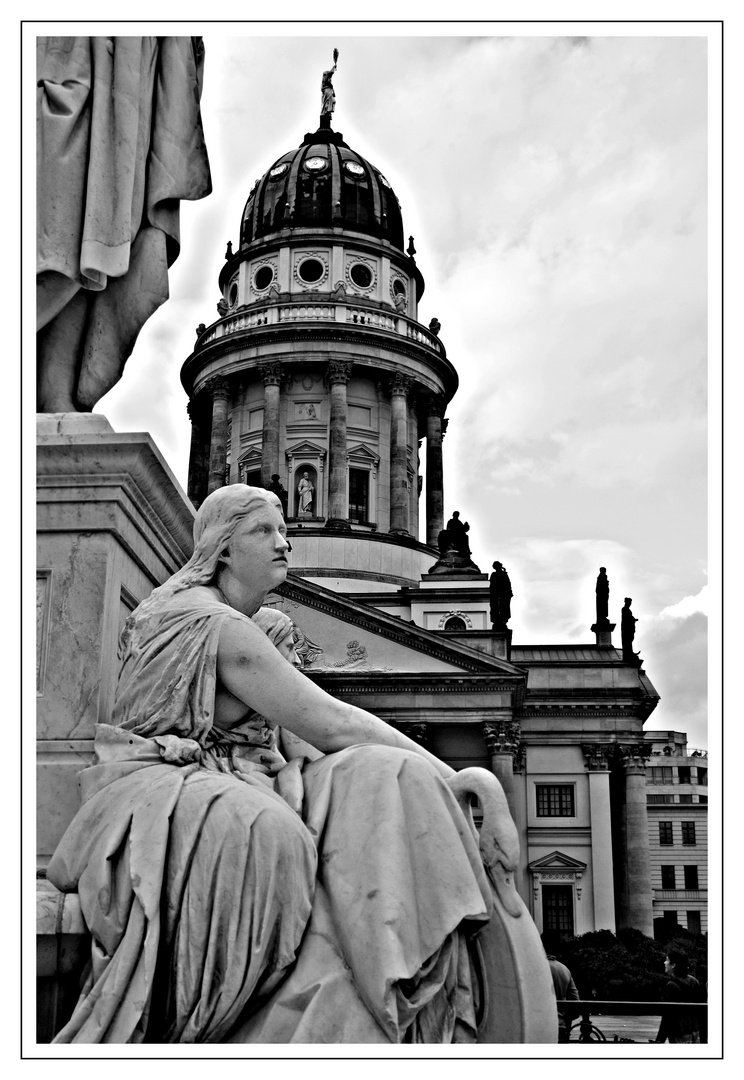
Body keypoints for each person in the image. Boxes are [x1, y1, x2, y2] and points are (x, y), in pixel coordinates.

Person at [47, 485, 501, 1044]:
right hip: (161, 783)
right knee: (273, 833)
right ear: (224, 548)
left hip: (236, 772)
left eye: (284, 529)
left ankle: (392, 972)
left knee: (386, 777)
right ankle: (221, 1027)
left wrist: (424, 778)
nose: (286, 543)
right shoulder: (216, 626)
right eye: (266, 532)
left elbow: (297, 742)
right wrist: (465, 780)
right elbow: (331, 723)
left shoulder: (263, 624)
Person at [37, 37, 211, 412]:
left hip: (127, 78)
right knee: (62, 227)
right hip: (68, 54)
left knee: (94, 250)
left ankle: (55, 387)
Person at [654, 949, 702, 1044]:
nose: (664, 962)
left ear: (673, 965)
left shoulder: (671, 985)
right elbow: (701, 1012)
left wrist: (659, 1040)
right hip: (695, 1033)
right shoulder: (694, 982)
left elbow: (668, 1017)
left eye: (667, 960)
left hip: (679, 1034)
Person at [544, 944, 580, 1043]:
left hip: (540, 1024)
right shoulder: (564, 969)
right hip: (561, 1024)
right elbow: (575, 1000)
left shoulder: (536, 967)